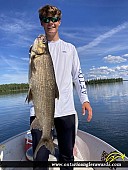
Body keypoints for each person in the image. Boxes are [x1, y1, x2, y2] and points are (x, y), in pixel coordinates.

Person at [29, 4, 92, 170]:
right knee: (40, 160)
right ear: (42, 23)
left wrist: (85, 100)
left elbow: (78, 76)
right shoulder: (36, 49)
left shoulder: (70, 49)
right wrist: (36, 47)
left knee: (66, 157)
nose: (51, 23)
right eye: (47, 19)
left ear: (60, 21)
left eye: (54, 19)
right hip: (39, 112)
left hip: (66, 111)